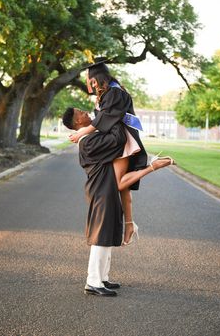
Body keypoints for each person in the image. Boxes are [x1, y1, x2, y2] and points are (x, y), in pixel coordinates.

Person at [62, 107, 174, 297]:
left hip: (107, 189)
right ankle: (93, 282)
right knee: (101, 236)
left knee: (108, 233)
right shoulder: (88, 142)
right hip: (101, 191)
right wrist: (107, 113)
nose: (86, 112)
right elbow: (118, 138)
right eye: (81, 112)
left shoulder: (91, 138)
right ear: (77, 122)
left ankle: (102, 277)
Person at [69, 59, 149, 245]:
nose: (90, 83)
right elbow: (103, 119)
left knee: (121, 184)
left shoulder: (114, 92)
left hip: (122, 140)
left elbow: (106, 118)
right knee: (122, 188)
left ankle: (130, 224)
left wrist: (83, 131)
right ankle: (129, 225)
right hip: (116, 138)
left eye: (90, 79)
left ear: (96, 79)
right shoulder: (107, 93)